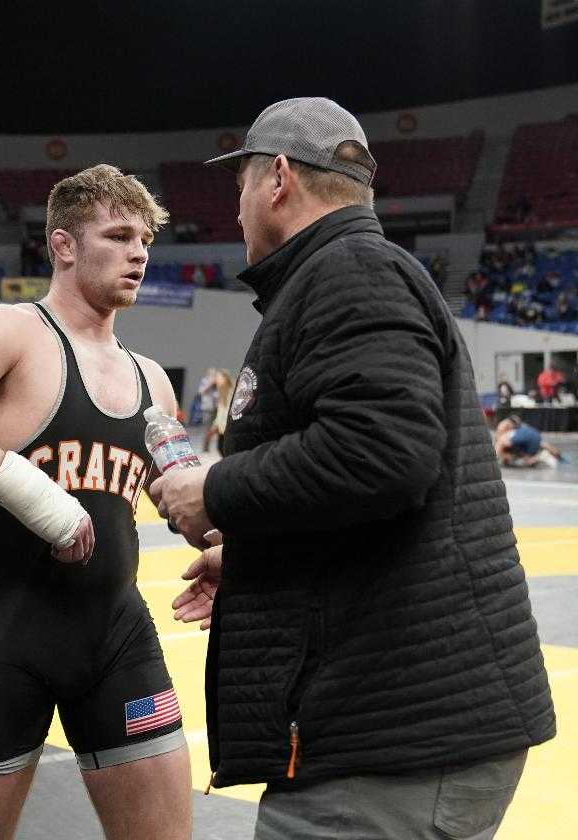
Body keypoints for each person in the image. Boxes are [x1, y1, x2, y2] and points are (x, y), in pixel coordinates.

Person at [150, 98, 555, 839]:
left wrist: (214, 490)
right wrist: (256, 555)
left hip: (395, 743)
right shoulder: (342, 272)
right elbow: (379, 493)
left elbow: (382, 453)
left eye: (239, 184)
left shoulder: (348, 271)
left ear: (277, 178)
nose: (233, 210)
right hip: (399, 727)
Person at [0, 164, 192, 840]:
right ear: (63, 246)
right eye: (118, 235)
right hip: (0, 638)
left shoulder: (153, 381)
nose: (139, 253)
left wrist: (227, 547)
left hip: (116, 636)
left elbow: (183, 496)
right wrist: (36, 498)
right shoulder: (14, 332)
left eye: (145, 239)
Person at [493, 415, 566, 467]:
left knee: (502, 444)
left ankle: (533, 458)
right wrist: (559, 456)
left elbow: (502, 443)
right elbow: (544, 444)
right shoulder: (525, 428)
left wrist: (494, 459)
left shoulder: (510, 432)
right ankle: (535, 458)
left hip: (527, 450)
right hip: (534, 445)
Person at [202, 369, 234, 454]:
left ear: (225, 379)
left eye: (219, 378)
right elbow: (221, 411)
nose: (217, 380)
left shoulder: (231, 391)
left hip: (228, 427)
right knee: (220, 448)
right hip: (222, 427)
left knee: (224, 449)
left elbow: (228, 410)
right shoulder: (221, 392)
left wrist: (219, 424)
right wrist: (216, 425)